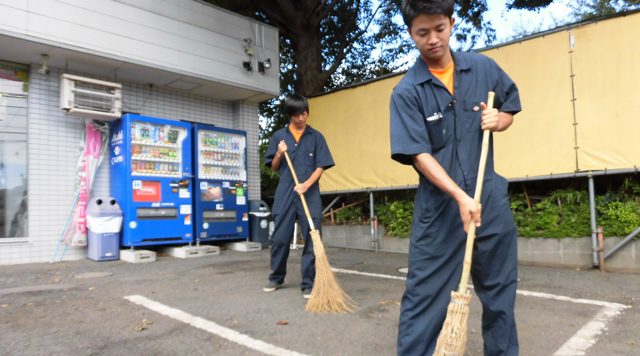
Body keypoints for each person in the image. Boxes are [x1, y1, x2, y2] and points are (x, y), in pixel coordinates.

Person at [390, 1, 521, 355]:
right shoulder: (407, 92)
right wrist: (459, 197)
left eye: (439, 29)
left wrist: (499, 120)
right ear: (410, 33)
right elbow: (419, 154)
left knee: (499, 295)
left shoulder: (482, 67)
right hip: (441, 210)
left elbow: (509, 107)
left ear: (451, 22)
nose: (433, 39)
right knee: (424, 300)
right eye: (422, 33)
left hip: (489, 199)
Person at [263, 95, 335, 299]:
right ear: (290, 116)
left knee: (312, 237)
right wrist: (278, 153)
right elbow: (274, 167)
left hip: (309, 193)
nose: (301, 118)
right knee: (280, 237)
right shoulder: (279, 137)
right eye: (297, 115)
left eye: (304, 113)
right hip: (285, 192)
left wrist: (306, 184)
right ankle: (276, 277)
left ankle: (308, 282)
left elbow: (321, 166)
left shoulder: (316, 137)